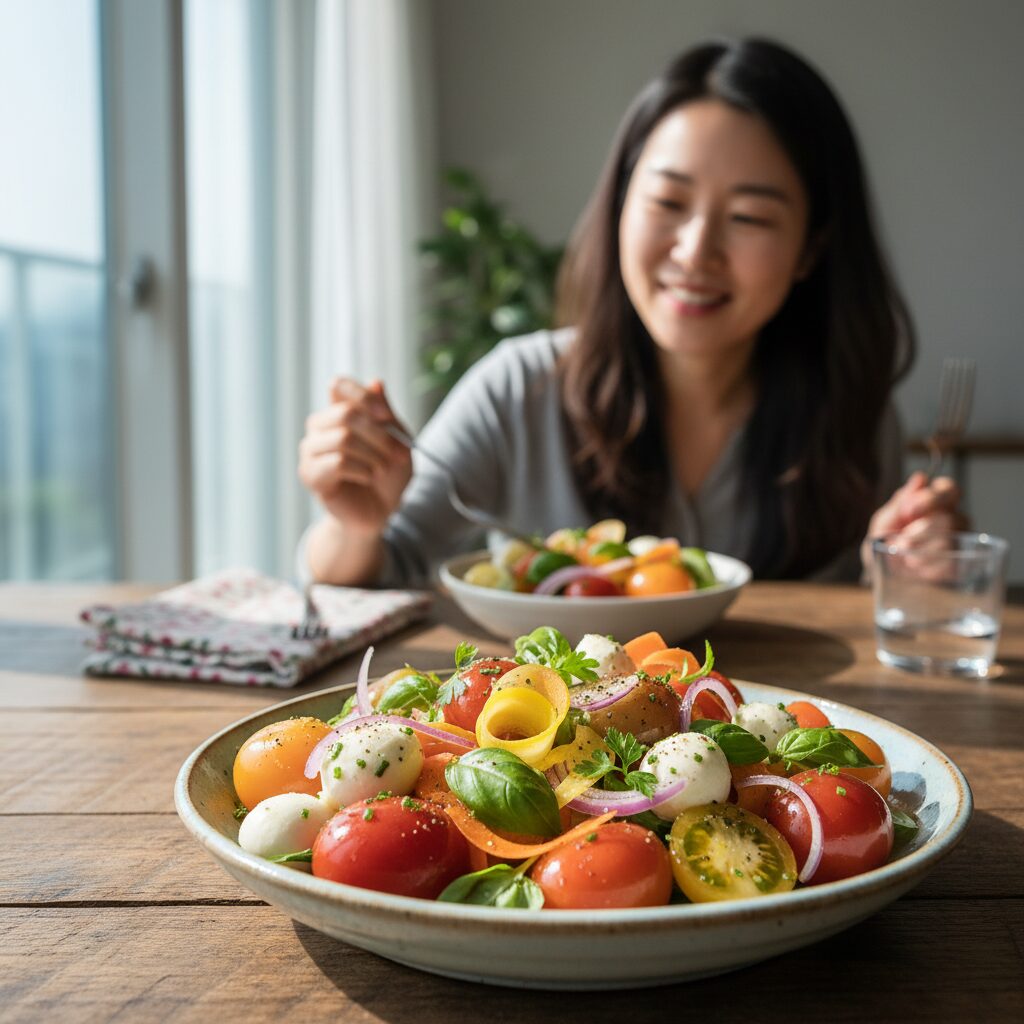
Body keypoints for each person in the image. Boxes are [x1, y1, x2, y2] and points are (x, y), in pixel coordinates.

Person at [297, 36, 962, 589]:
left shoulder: (847, 411)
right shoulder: (517, 390)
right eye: (668, 203)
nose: (696, 251)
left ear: (811, 248)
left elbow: (854, 631)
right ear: (620, 204)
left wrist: (904, 568)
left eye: (750, 217)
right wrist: (355, 527)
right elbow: (377, 577)